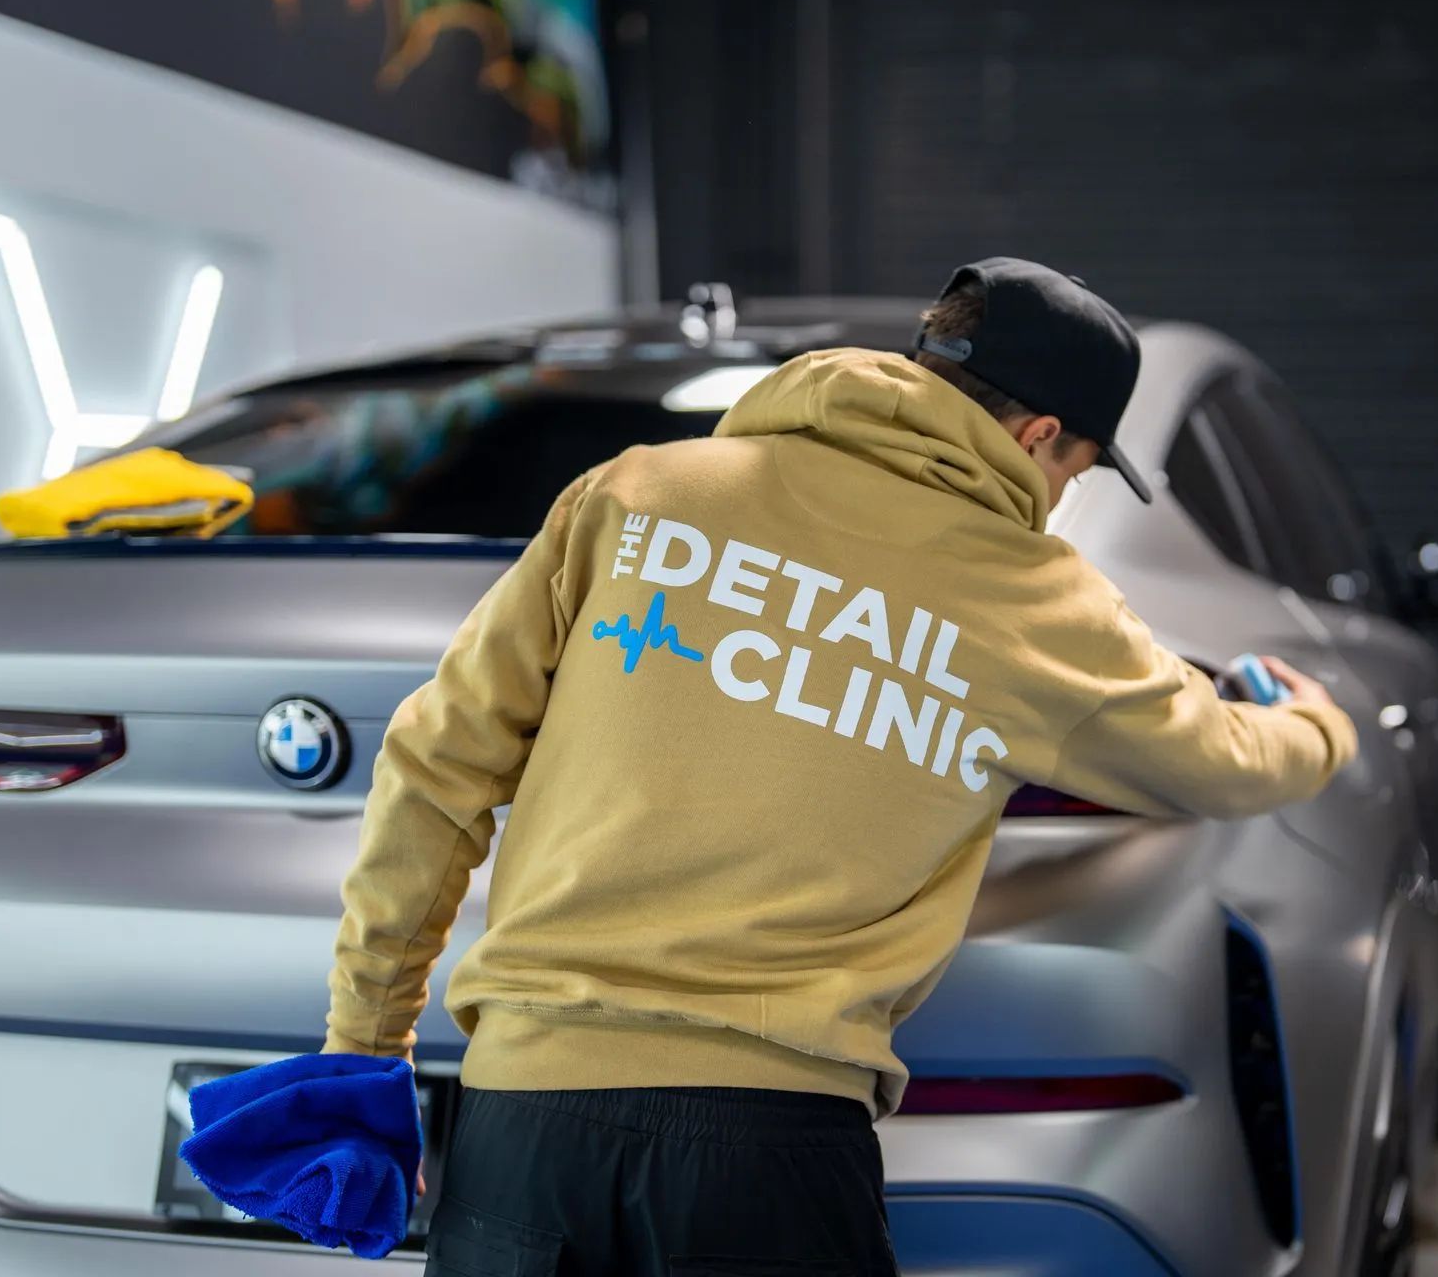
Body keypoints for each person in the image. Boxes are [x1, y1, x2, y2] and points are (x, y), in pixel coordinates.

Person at [323, 257, 1358, 1276]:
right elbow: (1221, 759)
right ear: (1040, 435)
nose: (1057, 495)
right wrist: (1320, 724)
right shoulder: (1037, 600)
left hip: (518, 1132)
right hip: (770, 1157)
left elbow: (435, 762)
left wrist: (366, 1046)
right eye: (1076, 470)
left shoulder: (639, 492)